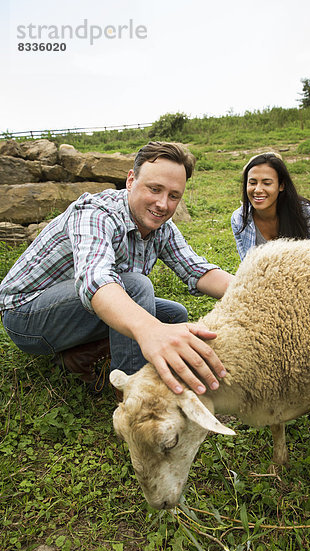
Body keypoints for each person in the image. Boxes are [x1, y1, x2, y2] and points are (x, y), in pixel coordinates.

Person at [0, 141, 234, 396]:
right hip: (25, 315)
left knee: (174, 315)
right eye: (154, 189)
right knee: (136, 287)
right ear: (131, 180)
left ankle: (78, 356)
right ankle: (134, 395)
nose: (163, 204)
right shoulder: (95, 212)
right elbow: (95, 280)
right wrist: (149, 330)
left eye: (174, 195)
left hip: (73, 310)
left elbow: (197, 270)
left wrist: (259, 291)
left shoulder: (161, 227)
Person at [231, 152, 310, 260]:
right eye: (252, 183)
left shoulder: (302, 210)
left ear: (281, 185)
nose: (258, 190)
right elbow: (246, 264)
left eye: (267, 183)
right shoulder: (239, 218)